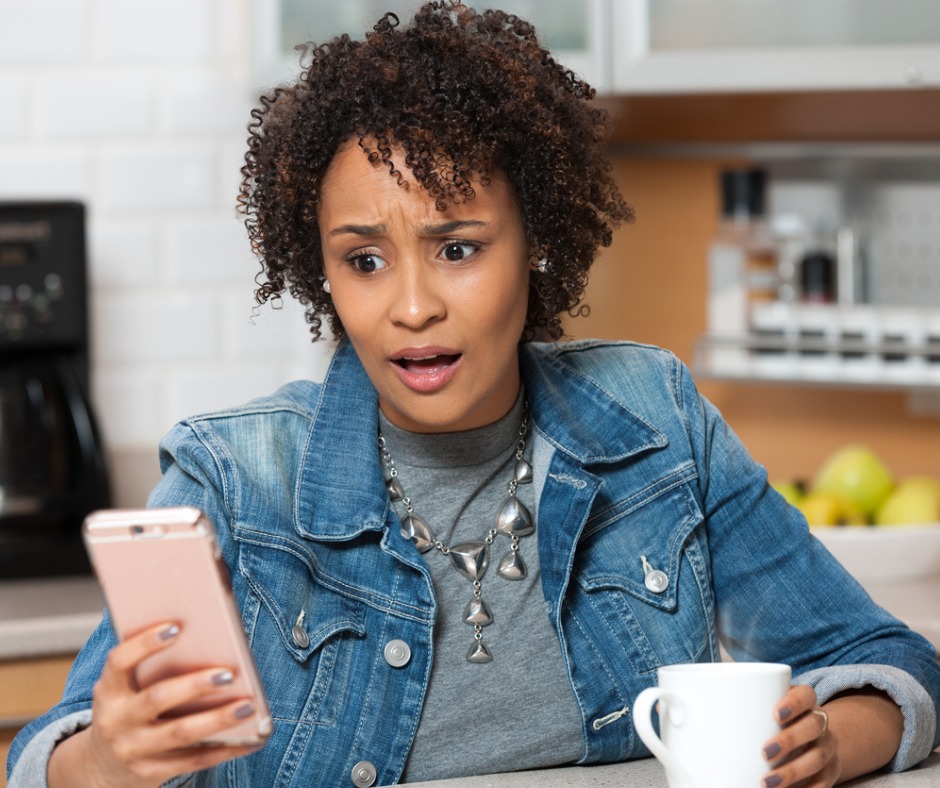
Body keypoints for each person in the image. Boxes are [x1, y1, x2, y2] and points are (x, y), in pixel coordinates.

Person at [8, 3, 940, 787]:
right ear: (320, 271)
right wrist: (106, 762)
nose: (412, 306)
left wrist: (824, 750)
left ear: (535, 241)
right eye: (364, 260)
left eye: (458, 248)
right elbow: (46, 754)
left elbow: (892, 664)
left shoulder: (656, 422)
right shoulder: (237, 480)